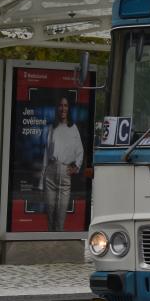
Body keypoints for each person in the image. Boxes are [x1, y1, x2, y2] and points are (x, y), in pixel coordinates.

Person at [41, 96, 84, 232]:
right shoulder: (51, 128)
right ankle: (49, 243)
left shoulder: (73, 128)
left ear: (68, 108)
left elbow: (80, 151)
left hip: (65, 173)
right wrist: (42, 177)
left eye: (65, 105)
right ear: (57, 108)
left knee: (60, 215)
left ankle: (58, 244)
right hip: (51, 172)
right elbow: (46, 154)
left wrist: (76, 167)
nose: (63, 108)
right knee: (50, 213)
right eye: (60, 105)